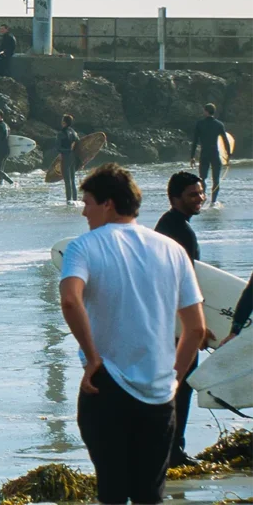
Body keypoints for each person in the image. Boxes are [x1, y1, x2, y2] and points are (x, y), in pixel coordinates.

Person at [58, 164, 205, 505]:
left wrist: (93, 357)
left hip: (106, 383)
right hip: (158, 392)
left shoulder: (84, 247)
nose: (84, 211)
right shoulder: (172, 250)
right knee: (149, 495)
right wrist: (174, 379)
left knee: (111, 491)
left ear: (108, 203)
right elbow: (195, 328)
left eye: (88, 202)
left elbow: (69, 300)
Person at [154, 171, 208, 468]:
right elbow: (180, 283)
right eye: (192, 194)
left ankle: (168, 448)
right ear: (174, 199)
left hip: (167, 321)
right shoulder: (180, 232)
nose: (199, 198)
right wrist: (196, 324)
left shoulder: (168, 225)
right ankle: (173, 452)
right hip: (176, 325)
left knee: (173, 385)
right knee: (181, 386)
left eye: (200, 192)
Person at [190, 103, 232, 204]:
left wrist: (192, 157)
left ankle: (203, 198)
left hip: (204, 153)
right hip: (214, 153)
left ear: (206, 111)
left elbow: (195, 141)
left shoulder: (200, 124)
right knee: (216, 179)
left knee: (202, 178)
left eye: (204, 110)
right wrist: (229, 155)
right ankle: (213, 202)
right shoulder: (219, 124)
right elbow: (225, 141)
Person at [56, 114, 81, 204]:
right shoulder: (73, 132)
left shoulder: (61, 133)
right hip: (73, 157)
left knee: (67, 181)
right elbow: (78, 142)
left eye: (62, 120)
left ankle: (69, 202)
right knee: (73, 180)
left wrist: (66, 150)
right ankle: (75, 200)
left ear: (64, 122)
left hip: (66, 157)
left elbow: (58, 148)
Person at [0, 110, 15, 186]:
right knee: (0, 171)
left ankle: (12, 183)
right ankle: (0, 186)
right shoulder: (6, 125)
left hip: (2, 150)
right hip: (6, 150)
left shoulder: (0, 126)